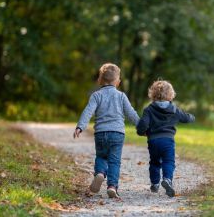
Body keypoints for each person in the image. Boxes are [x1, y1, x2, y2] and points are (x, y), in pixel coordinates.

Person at [74, 63, 139, 198]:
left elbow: (88, 112)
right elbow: (131, 113)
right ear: (118, 82)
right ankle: (112, 186)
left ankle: (100, 173)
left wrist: (80, 126)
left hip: (101, 133)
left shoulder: (96, 96)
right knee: (114, 161)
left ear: (99, 80)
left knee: (101, 156)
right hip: (117, 134)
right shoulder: (121, 96)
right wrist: (141, 126)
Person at [136, 80, 195, 197]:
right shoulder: (174, 109)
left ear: (153, 94)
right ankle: (167, 179)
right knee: (168, 161)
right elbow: (185, 118)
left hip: (153, 141)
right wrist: (192, 117)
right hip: (168, 141)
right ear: (171, 94)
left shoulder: (149, 109)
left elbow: (143, 124)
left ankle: (155, 183)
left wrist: (141, 132)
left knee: (154, 162)